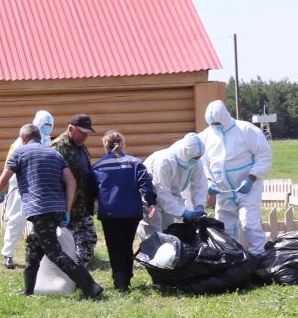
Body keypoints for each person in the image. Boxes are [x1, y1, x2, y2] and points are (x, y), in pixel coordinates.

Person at [0, 122, 103, 299]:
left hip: (40, 209)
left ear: (23, 138)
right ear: (38, 137)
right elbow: (71, 182)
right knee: (33, 244)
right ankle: (28, 290)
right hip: (58, 207)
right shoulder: (54, 153)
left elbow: (0, 182)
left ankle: (90, 286)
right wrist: (66, 210)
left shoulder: (19, 152)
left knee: (54, 253)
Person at [200, 99, 274, 252]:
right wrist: (208, 180)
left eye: (218, 123)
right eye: (213, 124)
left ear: (225, 117)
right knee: (225, 227)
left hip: (248, 187)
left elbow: (264, 155)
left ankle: (259, 256)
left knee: (250, 224)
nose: (216, 126)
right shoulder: (206, 136)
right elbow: (204, 162)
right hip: (223, 190)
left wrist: (251, 177)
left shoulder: (246, 130)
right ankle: (232, 259)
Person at [92, 131, 157, 292]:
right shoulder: (135, 163)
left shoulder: (98, 166)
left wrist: (90, 206)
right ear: (123, 144)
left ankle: (120, 282)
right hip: (131, 211)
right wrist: (151, 202)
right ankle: (126, 278)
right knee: (127, 245)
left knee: (114, 247)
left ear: (105, 146)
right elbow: (146, 183)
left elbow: (91, 189)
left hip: (110, 212)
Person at [0, 110, 52, 269]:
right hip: (20, 189)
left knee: (39, 225)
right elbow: (9, 166)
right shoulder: (18, 144)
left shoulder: (48, 142)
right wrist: (2, 187)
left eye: (50, 126)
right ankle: (8, 254)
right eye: (45, 125)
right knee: (16, 221)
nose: (47, 129)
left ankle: (37, 256)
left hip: (40, 190)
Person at [52, 113, 100, 269]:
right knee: (65, 242)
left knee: (89, 238)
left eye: (88, 133)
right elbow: (54, 179)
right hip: (67, 207)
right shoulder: (58, 147)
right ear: (70, 128)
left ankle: (79, 271)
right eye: (82, 132)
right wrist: (62, 209)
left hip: (83, 205)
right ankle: (63, 274)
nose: (86, 136)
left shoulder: (82, 147)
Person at [144, 133, 208, 233]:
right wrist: (184, 212)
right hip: (150, 196)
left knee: (168, 230)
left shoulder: (195, 159)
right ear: (185, 153)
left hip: (169, 196)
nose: (197, 160)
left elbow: (199, 185)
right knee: (153, 233)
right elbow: (162, 192)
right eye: (195, 158)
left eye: (198, 158)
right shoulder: (165, 161)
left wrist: (199, 206)